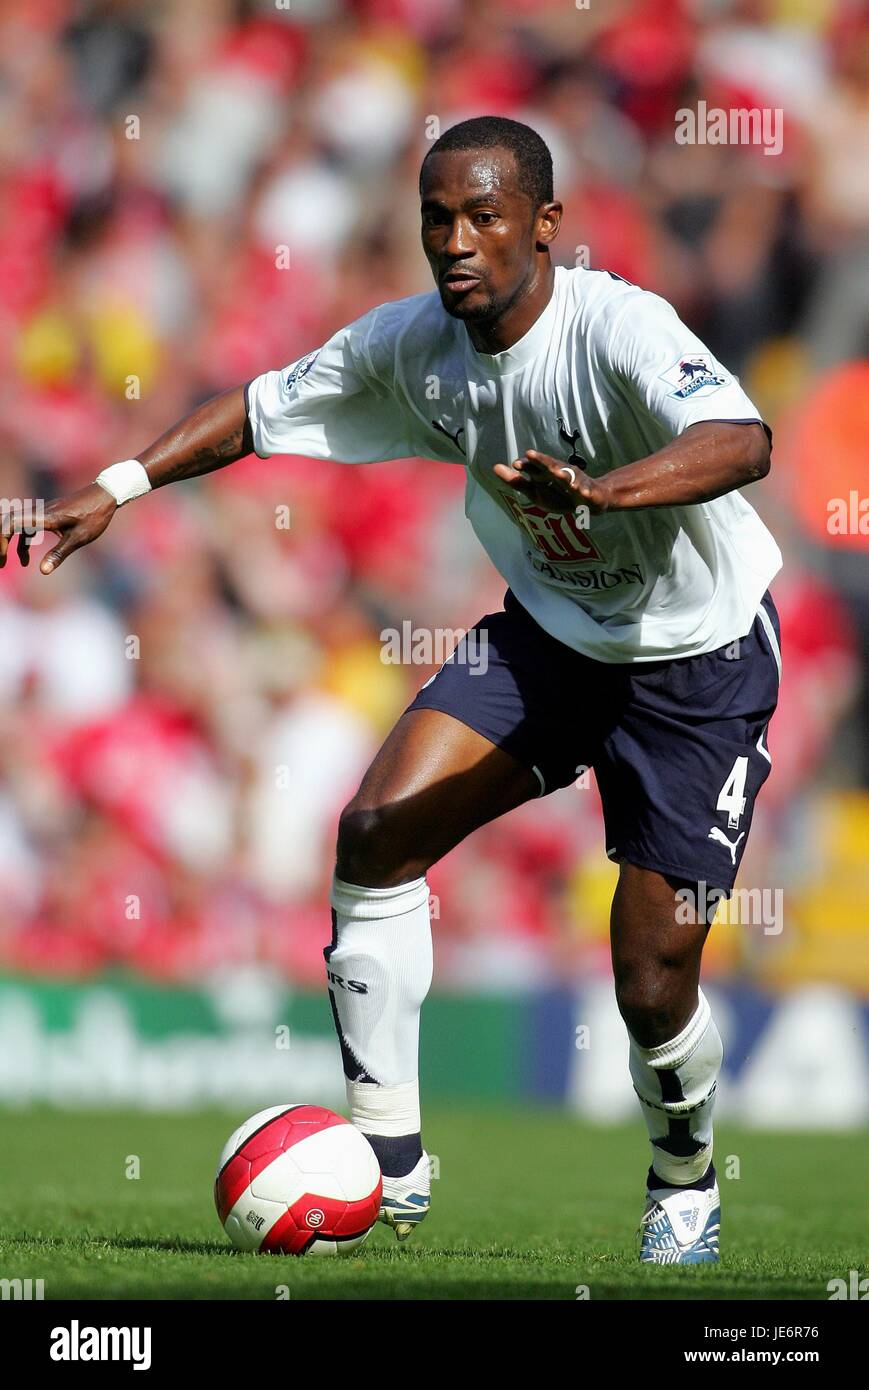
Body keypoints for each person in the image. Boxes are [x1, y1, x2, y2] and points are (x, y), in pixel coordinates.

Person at [1, 116, 782, 1264]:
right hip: (553, 640)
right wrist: (119, 484)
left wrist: (603, 496)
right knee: (372, 829)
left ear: (544, 225)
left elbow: (741, 438)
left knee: (649, 975)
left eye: (483, 215)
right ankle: (390, 1159)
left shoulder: (615, 325)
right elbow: (256, 411)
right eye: (435, 218)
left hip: (696, 658)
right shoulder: (412, 344)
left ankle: (683, 1172)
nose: (454, 240)